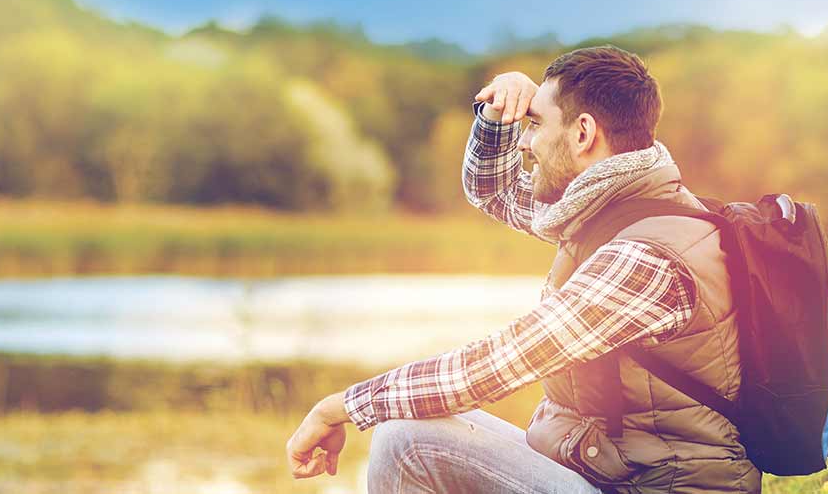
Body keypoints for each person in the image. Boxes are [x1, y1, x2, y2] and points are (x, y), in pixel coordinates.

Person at [286, 45, 761, 493]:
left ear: (583, 133)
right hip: (606, 470)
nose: (528, 143)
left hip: (651, 487)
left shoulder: (647, 257)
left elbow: (497, 365)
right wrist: (498, 114)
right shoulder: (613, 209)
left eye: (535, 124)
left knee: (405, 441)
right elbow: (495, 193)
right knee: (406, 429)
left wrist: (341, 407)